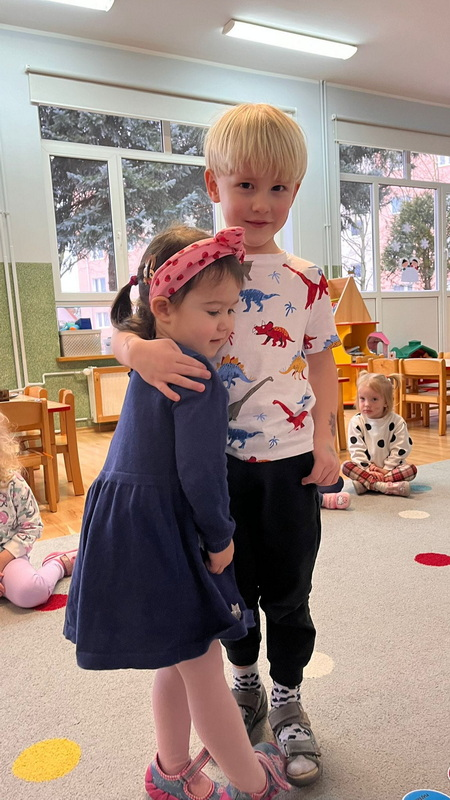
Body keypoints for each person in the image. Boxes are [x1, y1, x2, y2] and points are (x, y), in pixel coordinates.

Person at [111, 103, 341, 788]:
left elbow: (322, 359)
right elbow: (122, 322)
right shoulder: (188, 263)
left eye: (278, 188)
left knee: (290, 590)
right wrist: (136, 352)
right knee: (227, 589)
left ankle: (288, 698)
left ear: (295, 192)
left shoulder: (308, 279)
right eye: (245, 186)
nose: (261, 203)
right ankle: (243, 684)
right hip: (209, 468)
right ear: (214, 184)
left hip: (291, 463)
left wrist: (327, 438)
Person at [64, 225, 290, 800]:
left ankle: (170, 771)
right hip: (164, 532)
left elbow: (124, 333)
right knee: (205, 670)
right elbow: (202, 475)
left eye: (233, 309)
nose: (227, 324)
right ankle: (252, 784)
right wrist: (220, 537)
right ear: (163, 309)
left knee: (178, 655)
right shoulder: (197, 376)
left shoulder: (149, 360)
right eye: (213, 311)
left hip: (127, 525)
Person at [0, 412, 77, 608]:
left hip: (8, 557)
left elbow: (31, 526)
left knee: (32, 592)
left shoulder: (12, 483)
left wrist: (1, 561)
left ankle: (59, 563)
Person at [342, 371, 417, 497]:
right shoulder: (356, 422)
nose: (367, 404)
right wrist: (367, 470)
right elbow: (356, 450)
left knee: (411, 470)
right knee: (345, 466)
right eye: (362, 399)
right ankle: (386, 486)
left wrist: (386, 470)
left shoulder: (397, 421)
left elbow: (401, 448)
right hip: (366, 469)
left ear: (386, 401)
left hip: (391, 469)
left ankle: (367, 483)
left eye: (374, 399)